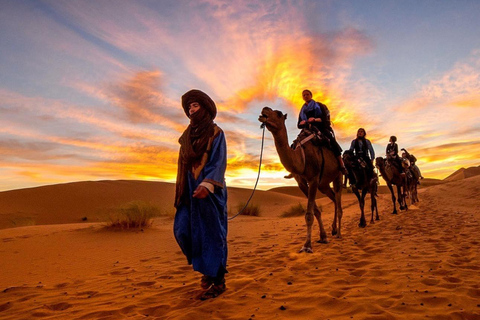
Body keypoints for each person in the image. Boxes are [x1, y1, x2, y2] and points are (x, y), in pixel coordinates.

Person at [174, 89, 228, 300]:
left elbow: (218, 161)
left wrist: (207, 185)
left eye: (195, 106)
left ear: (204, 108)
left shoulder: (216, 133)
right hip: (189, 192)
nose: (191, 109)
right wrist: (183, 191)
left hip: (211, 193)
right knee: (184, 230)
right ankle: (206, 270)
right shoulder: (185, 137)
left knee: (213, 236)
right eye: (189, 107)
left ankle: (218, 280)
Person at [297, 89, 346, 174]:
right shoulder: (302, 110)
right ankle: (296, 167)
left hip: (321, 128)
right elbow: (298, 125)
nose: (305, 96)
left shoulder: (319, 105)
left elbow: (324, 119)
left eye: (307, 94)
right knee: (296, 143)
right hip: (307, 129)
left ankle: (341, 164)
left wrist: (314, 119)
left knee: (331, 140)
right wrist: (303, 122)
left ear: (311, 95)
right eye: (304, 95)